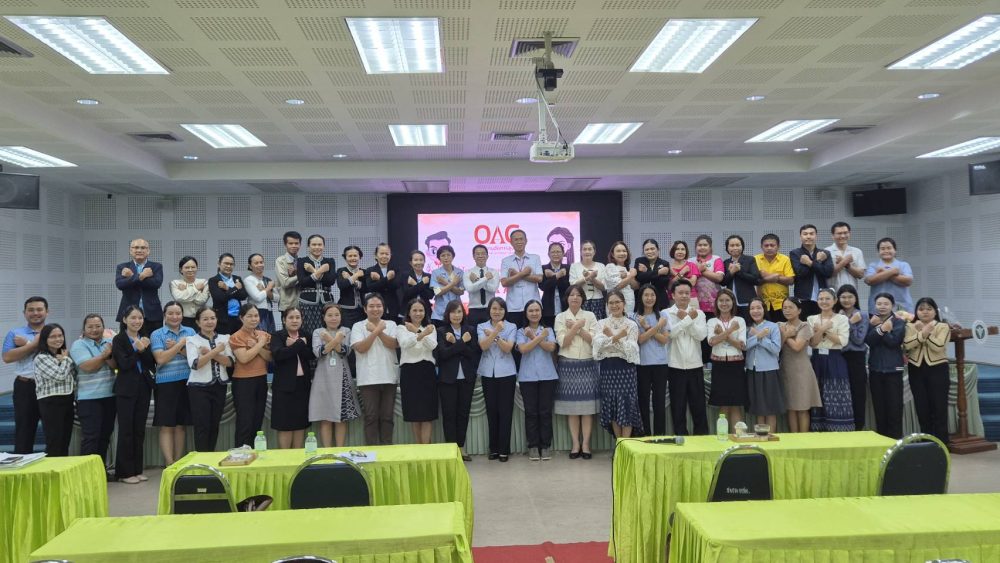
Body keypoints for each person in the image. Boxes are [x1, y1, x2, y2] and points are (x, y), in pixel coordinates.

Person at [554, 285, 599, 459]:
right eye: (571, 295)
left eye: (578, 295)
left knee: (587, 408)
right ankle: (575, 444)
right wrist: (575, 328)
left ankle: (586, 445)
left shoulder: (590, 316)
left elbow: (594, 340)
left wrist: (578, 328)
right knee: (572, 408)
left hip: (587, 363)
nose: (575, 298)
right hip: (568, 364)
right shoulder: (560, 317)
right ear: (567, 298)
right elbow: (563, 342)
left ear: (582, 299)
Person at [111, 305, 155, 484]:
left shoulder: (144, 338)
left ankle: (137, 469)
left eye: (140, 318)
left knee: (139, 430)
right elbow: (123, 364)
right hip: (126, 389)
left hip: (143, 388)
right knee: (126, 431)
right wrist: (137, 349)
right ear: (125, 320)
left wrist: (143, 350)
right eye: (133, 318)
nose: (137, 321)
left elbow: (151, 363)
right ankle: (124, 472)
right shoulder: (119, 339)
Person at [309, 303, 361, 448]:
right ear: (324, 317)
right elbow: (319, 352)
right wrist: (336, 340)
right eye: (330, 315)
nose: (333, 318)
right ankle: (327, 452)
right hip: (323, 378)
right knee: (325, 417)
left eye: (337, 315)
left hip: (342, 378)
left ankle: (339, 451)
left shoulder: (346, 330)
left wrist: (329, 339)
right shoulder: (318, 332)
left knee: (341, 418)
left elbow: (345, 351)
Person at [351, 293, 399, 445]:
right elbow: (361, 348)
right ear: (365, 309)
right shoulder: (358, 326)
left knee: (387, 417)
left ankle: (387, 449)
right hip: (368, 378)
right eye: (371, 306)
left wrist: (378, 330)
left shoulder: (391, 324)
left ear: (383, 308)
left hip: (389, 376)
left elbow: (393, 344)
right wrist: (376, 331)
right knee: (371, 417)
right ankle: (372, 451)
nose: (375, 309)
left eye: (379, 306)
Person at [150, 302, 195, 465]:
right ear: (164, 315)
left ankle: (179, 462)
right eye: (170, 313)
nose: (174, 317)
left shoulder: (190, 332)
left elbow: (194, 358)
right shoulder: (157, 334)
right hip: (165, 384)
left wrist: (175, 348)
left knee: (181, 425)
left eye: (178, 313)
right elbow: (161, 359)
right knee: (166, 425)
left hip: (187, 382)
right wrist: (181, 345)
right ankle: (169, 463)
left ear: (182, 315)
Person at [594, 290, 642, 439]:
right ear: (607, 305)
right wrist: (619, 337)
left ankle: (625, 443)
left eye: (617, 302)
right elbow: (598, 346)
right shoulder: (601, 323)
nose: (614, 305)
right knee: (613, 405)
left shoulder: (631, 325)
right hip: (608, 368)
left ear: (624, 304)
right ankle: (619, 442)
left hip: (626, 368)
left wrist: (611, 337)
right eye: (611, 303)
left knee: (626, 404)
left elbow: (631, 350)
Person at [2, 296, 48, 453]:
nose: (35, 313)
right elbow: (8, 357)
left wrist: (27, 345)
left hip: (50, 387)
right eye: (31, 310)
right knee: (24, 431)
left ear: (47, 312)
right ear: (24, 313)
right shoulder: (15, 333)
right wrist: (33, 345)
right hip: (25, 386)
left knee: (53, 430)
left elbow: (57, 356)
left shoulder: (53, 332)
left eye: (39, 309)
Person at [903, 297, 951, 445]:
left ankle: (942, 443)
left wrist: (926, 333)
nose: (925, 312)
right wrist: (921, 333)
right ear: (916, 311)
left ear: (935, 311)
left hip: (938, 369)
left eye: (929, 309)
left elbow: (939, 346)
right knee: (922, 407)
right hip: (916, 369)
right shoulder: (910, 326)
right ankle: (926, 442)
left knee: (939, 407)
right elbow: (907, 345)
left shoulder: (942, 326)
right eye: (921, 309)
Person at [69, 314, 117, 464]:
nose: (94, 330)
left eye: (98, 326)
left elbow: (116, 365)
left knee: (105, 436)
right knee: (91, 437)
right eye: (90, 327)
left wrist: (108, 355)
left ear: (104, 327)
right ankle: (86, 474)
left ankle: (100, 471)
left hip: (110, 396)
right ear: (84, 329)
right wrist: (105, 355)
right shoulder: (78, 345)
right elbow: (88, 366)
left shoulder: (110, 342)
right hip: (88, 398)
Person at [185, 306, 233, 452]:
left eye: (212, 318)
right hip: (198, 388)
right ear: (198, 322)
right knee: (202, 426)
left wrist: (210, 353)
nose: (209, 322)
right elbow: (195, 364)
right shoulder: (192, 340)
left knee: (214, 425)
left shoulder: (225, 338)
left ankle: (210, 456)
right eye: (205, 319)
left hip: (219, 386)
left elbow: (229, 362)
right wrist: (216, 351)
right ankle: (201, 459)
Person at [436, 300, 479, 461]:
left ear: (464, 313)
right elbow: (443, 354)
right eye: (453, 312)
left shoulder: (470, 330)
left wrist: (455, 343)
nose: (456, 315)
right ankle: (451, 449)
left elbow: (472, 354)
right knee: (449, 415)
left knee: (463, 414)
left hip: (466, 379)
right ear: (448, 314)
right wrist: (460, 343)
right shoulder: (441, 331)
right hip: (447, 379)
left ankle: (461, 447)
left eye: (459, 311)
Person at [665, 279, 708, 435]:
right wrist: (688, 319)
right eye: (680, 293)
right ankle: (681, 440)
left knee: (699, 408)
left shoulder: (699, 313)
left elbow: (701, 336)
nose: (684, 296)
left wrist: (688, 319)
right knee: (678, 408)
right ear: (673, 295)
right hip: (674, 366)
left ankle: (702, 440)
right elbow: (671, 335)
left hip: (695, 365)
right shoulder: (666, 313)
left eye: (687, 293)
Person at [477, 297, 518, 462]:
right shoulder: (481, 326)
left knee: (505, 412)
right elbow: (483, 346)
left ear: (505, 311)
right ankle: (493, 449)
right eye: (494, 308)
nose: (497, 312)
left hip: (507, 373)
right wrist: (496, 332)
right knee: (492, 411)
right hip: (488, 373)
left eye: (500, 309)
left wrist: (494, 336)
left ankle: (504, 450)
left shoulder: (512, 326)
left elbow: (508, 348)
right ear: (489, 310)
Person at [517, 300, 558, 460]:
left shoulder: (548, 330)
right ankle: (533, 446)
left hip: (548, 376)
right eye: (531, 311)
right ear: (526, 313)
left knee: (545, 412)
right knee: (531, 413)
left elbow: (551, 348)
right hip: (527, 377)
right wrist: (539, 337)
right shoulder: (521, 331)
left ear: (541, 312)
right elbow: (523, 349)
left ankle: (545, 446)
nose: (534, 313)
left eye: (537, 310)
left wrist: (533, 336)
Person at [807, 288, 853, 431]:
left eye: (827, 298)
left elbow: (842, 341)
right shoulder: (811, 319)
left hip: (835, 358)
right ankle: (818, 430)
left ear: (835, 301)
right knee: (817, 394)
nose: (824, 301)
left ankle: (838, 429)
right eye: (821, 299)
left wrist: (823, 330)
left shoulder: (842, 318)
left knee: (836, 393)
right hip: (816, 359)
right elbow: (812, 343)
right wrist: (822, 329)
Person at [270, 306, 315, 449]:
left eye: (297, 317)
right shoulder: (278, 335)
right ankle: (285, 456)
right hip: (284, 386)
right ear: (284, 320)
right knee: (285, 424)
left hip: (303, 385)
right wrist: (299, 344)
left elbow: (311, 355)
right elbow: (278, 355)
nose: (294, 320)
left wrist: (294, 346)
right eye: (291, 317)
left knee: (300, 423)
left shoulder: (307, 334)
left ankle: (298, 455)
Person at [228, 304, 271, 448]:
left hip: (261, 379)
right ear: (241, 318)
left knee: (257, 421)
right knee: (244, 422)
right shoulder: (236, 336)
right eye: (249, 316)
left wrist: (258, 345)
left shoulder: (264, 335)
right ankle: (241, 453)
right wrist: (259, 345)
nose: (254, 319)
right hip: (243, 382)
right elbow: (244, 358)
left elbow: (270, 357)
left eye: (256, 316)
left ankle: (254, 453)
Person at [397, 298, 438, 445]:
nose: (418, 313)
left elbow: (432, 345)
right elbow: (405, 344)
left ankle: (426, 449)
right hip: (409, 372)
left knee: (427, 414)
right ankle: (418, 448)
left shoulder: (431, 327)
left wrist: (417, 331)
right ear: (408, 312)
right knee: (414, 414)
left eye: (421, 310)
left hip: (427, 371)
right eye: (414, 310)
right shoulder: (401, 328)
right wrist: (421, 333)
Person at [865, 293, 906, 439]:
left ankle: (896, 442)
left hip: (893, 370)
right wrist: (882, 329)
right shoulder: (872, 320)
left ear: (892, 306)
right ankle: (882, 441)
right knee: (879, 408)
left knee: (894, 408)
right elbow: (869, 341)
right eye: (879, 304)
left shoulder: (898, 322)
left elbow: (893, 342)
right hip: (875, 369)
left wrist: (879, 328)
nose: (882, 307)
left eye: (886, 304)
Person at [778, 297, 821, 433]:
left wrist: (785, 335)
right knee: (790, 407)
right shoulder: (779, 325)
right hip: (785, 369)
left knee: (802, 408)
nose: (787, 310)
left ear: (799, 310)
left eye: (791, 307)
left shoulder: (804, 326)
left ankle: (803, 439)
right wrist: (786, 334)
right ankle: (793, 438)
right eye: (784, 308)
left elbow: (797, 347)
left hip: (802, 370)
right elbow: (776, 348)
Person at [706, 289, 748, 427]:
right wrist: (730, 331)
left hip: (736, 365)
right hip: (719, 366)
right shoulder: (712, 321)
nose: (724, 303)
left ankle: (739, 436)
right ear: (716, 303)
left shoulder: (739, 320)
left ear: (733, 302)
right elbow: (712, 342)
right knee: (722, 404)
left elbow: (741, 346)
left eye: (727, 300)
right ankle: (723, 436)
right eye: (721, 300)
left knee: (736, 404)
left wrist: (722, 334)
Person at [633, 284, 670, 437]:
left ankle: (660, 435)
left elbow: (664, 340)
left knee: (659, 401)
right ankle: (645, 435)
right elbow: (640, 340)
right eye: (646, 295)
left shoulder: (662, 316)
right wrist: (656, 328)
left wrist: (647, 327)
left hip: (661, 363)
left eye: (652, 295)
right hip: (642, 364)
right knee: (643, 401)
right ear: (640, 297)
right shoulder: (634, 317)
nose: (649, 298)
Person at [33, 324, 75, 456]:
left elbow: (72, 376)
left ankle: (63, 469)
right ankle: (53, 468)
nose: (58, 339)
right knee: (54, 441)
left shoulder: (62, 356)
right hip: (51, 402)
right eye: (53, 336)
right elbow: (59, 376)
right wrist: (67, 359)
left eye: (60, 335)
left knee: (65, 441)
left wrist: (65, 359)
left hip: (67, 399)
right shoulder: (41, 357)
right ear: (45, 339)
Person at [745, 297, 784, 432]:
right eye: (752, 308)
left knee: (770, 408)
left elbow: (776, 349)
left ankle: (770, 436)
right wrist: (758, 336)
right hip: (752, 370)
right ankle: (760, 436)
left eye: (758, 308)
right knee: (758, 407)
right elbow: (744, 346)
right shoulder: (748, 328)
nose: (755, 311)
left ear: (764, 309)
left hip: (769, 370)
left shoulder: (773, 326)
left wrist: (760, 337)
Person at [836, 284, 869, 431]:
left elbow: (858, 340)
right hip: (839, 356)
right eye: (843, 297)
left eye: (850, 297)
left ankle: (858, 427)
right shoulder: (835, 315)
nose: (846, 300)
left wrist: (849, 323)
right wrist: (848, 321)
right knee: (841, 393)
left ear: (856, 299)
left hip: (856, 357)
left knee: (858, 393)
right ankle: (843, 426)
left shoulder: (862, 315)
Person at [114, 238, 163, 337]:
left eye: (143, 248)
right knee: (128, 343)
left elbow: (156, 283)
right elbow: (120, 284)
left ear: (148, 251)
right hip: (128, 314)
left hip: (152, 314)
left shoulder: (156, 266)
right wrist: (142, 276)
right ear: (130, 250)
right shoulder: (123, 267)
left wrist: (132, 277)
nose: (139, 250)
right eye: (136, 247)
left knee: (153, 343)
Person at [789, 224, 833, 319]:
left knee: (822, 324)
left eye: (811, 234)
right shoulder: (795, 253)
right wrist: (818, 261)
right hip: (803, 297)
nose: (808, 236)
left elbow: (828, 273)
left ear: (816, 236)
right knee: (805, 324)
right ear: (800, 237)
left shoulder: (825, 253)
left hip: (822, 297)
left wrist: (809, 262)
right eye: (805, 234)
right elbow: (801, 273)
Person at [500, 229, 543, 326]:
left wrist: (516, 274)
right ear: (511, 242)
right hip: (513, 307)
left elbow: (539, 278)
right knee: (514, 334)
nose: (519, 242)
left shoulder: (535, 258)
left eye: (521, 239)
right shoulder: (506, 261)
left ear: (526, 241)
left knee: (534, 333)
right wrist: (522, 274)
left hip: (533, 306)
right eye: (516, 239)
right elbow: (504, 282)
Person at [297, 234, 337, 335]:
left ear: (324, 246)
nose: (317, 247)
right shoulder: (302, 261)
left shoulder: (330, 261)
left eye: (319, 244)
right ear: (308, 246)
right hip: (307, 301)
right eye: (314, 244)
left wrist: (313, 271)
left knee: (327, 330)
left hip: (326, 301)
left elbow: (331, 281)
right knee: (308, 331)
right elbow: (302, 282)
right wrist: (320, 271)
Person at [695, 235, 725, 363]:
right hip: (696, 306)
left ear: (710, 247)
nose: (702, 247)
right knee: (699, 337)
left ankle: (712, 365)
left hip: (713, 306)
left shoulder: (716, 259)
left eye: (705, 245)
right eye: (699, 245)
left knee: (713, 334)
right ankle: (702, 365)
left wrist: (701, 271)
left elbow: (719, 278)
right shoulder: (691, 260)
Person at [864, 237, 913, 314]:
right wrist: (892, 271)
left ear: (895, 250)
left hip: (901, 307)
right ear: (878, 252)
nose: (886, 251)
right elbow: (869, 280)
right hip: (877, 308)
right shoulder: (873, 265)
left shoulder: (903, 265)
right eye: (882, 249)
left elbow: (908, 281)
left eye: (889, 248)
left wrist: (882, 273)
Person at [721, 235, 761, 323]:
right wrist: (731, 272)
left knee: (748, 325)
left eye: (737, 245)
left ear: (742, 246)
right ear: (727, 248)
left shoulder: (750, 259)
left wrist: (739, 271)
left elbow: (756, 279)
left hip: (747, 301)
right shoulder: (726, 262)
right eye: (732, 245)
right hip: (731, 303)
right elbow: (723, 282)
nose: (735, 248)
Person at [756, 234, 794, 322]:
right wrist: (776, 277)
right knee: (765, 329)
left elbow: (791, 280)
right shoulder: (755, 259)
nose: (769, 248)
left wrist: (767, 276)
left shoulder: (785, 259)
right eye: (766, 245)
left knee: (782, 328)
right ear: (761, 247)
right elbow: (754, 280)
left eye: (772, 245)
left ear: (778, 246)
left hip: (781, 303)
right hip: (762, 303)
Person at [208, 253, 247, 335]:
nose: (229, 266)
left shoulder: (237, 279)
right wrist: (235, 288)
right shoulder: (213, 280)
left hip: (238, 318)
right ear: (219, 263)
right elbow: (221, 298)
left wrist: (227, 288)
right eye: (226, 263)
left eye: (231, 264)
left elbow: (243, 296)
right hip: (223, 320)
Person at [570, 240, 607, 320]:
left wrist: (592, 279)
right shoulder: (574, 266)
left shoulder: (601, 266)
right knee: (582, 324)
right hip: (581, 301)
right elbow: (573, 286)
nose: (587, 252)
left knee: (597, 324)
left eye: (590, 249)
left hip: (598, 301)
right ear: (580, 252)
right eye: (584, 249)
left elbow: (604, 287)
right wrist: (586, 278)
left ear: (594, 252)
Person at [465, 244, 500, 327]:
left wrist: (477, 281)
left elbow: (493, 288)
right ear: (473, 256)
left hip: (490, 309)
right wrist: (485, 279)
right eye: (477, 254)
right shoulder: (468, 273)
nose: (480, 256)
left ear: (487, 256)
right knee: (474, 333)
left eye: (483, 253)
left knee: (491, 333)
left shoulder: (494, 272)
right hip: (474, 309)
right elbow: (470, 289)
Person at [169, 256, 209, 329]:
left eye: (193, 267)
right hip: (182, 319)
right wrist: (196, 289)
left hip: (200, 319)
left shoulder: (204, 282)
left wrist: (185, 292)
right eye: (187, 267)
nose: (190, 270)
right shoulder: (175, 283)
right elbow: (179, 298)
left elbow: (201, 300)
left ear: (197, 268)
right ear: (181, 270)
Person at [430, 245, 464, 328]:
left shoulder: (459, 272)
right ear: (439, 258)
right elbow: (437, 292)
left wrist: (445, 283)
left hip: (456, 312)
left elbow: (461, 292)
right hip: (440, 313)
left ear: (453, 256)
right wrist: (453, 283)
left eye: (448, 255)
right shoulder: (435, 273)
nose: (446, 258)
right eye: (443, 255)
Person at [336, 245, 367, 332]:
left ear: (359, 257)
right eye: (350, 256)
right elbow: (342, 285)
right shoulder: (341, 271)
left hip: (362, 310)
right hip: (345, 309)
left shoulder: (364, 272)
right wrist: (356, 276)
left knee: (361, 333)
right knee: (347, 332)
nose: (353, 258)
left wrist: (350, 279)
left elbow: (366, 288)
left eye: (355, 256)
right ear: (345, 258)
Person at [826, 222, 865, 290]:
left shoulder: (857, 251)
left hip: (851, 292)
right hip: (832, 292)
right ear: (832, 235)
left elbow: (860, 275)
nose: (843, 236)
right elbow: (827, 274)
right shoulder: (826, 251)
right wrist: (844, 261)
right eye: (839, 233)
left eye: (845, 233)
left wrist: (847, 265)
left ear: (849, 234)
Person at [366, 242, 400, 321]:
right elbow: (370, 288)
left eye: (387, 254)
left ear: (390, 255)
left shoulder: (396, 269)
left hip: (393, 306)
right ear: (376, 255)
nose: (384, 256)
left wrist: (380, 279)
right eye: (381, 253)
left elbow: (396, 285)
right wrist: (387, 278)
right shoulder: (370, 270)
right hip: (376, 307)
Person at [634, 238, 671, 311]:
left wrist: (647, 271)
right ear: (643, 252)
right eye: (647, 250)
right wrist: (658, 272)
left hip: (660, 301)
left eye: (652, 249)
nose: (650, 251)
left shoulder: (664, 263)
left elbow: (663, 282)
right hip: (642, 300)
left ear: (658, 250)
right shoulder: (639, 261)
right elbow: (640, 277)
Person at [603, 241, 638, 316]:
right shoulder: (610, 267)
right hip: (615, 305)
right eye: (618, 251)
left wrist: (630, 276)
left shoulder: (628, 269)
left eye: (624, 251)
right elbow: (617, 286)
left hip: (629, 305)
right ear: (613, 254)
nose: (622, 253)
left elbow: (635, 286)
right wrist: (631, 276)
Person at [540, 242, 569, 328]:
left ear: (563, 253)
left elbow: (567, 286)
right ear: (548, 254)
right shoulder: (543, 268)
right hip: (548, 310)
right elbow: (543, 287)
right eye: (553, 252)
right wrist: (557, 276)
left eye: (558, 251)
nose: (555, 254)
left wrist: (552, 276)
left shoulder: (568, 268)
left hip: (565, 308)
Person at [244, 253, 276, 333]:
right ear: (250, 266)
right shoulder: (248, 280)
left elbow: (277, 298)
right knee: (259, 336)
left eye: (261, 262)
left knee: (271, 337)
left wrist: (265, 290)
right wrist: (268, 288)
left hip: (269, 312)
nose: (260, 265)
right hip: (256, 313)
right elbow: (258, 298)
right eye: (256, 263)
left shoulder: (268, 280)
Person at [275, 230, 302, 318]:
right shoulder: (280, 261)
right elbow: (285, 283)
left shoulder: (302, 261)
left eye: (296, 243)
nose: (294, 246)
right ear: (285, 244)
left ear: (300, 244)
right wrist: (300, 274)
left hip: (301, 305)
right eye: (290, 243)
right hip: (287, 305)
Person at [402, 250, 434, 322]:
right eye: (416, 260)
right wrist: (422, 283)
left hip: (425, 311)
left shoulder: (429, 276)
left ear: (424, 261)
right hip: (408, 311)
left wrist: (415, 284)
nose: (419, 262)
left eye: (421, 260)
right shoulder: (405, 275)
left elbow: (430, 295)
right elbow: (406, 293)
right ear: (411, 262)